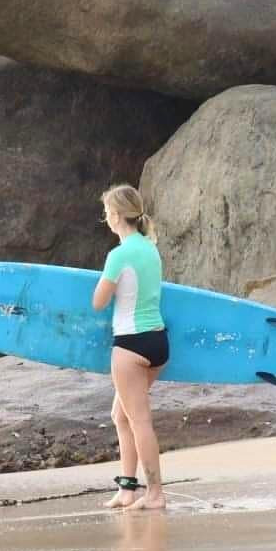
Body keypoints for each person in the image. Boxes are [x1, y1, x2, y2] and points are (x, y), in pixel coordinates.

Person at [91, 184, 169, 511]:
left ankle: (155, 494)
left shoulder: (119, 255)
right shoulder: (151, 249)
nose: (106, 219)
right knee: (120, 415)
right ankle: (127, 489)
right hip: (158, 343)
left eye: (108, 212)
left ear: (118, 215)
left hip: (130, 345)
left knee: (139, 421)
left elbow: (98, 302)